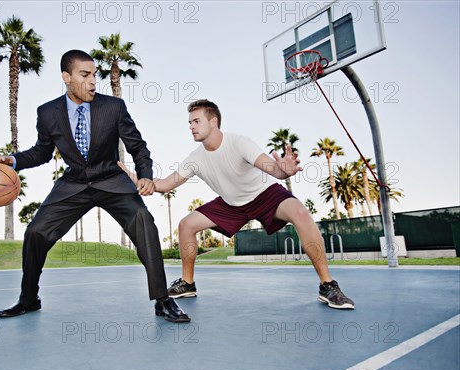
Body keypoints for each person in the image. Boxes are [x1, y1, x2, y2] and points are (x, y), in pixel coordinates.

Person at [0, 50, 190, 323]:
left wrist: (145, 175)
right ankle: (29, 298)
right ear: (67, 77)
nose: (92, 82)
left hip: (111, 180)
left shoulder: (113, 107)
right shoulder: (47, 112)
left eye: (94, 75)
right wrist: (11, 160)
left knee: (143, 220)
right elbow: (41, 152)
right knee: (36, 232)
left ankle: (162, 299)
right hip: (74, 183)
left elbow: (138, 146)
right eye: (85, 75)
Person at [120, 99, 355, 310]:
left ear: (214, 122)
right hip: (230, 204)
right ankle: (187, 283)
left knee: (300, 212)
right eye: (189, 122)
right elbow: (165, 184)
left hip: (264, 195)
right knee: (186, 225)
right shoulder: (195, 158)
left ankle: (327, 285)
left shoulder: (239, 143)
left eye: (196, 121)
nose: (191, 126)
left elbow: (273, 170)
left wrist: (284, 170)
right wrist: (142, 181)